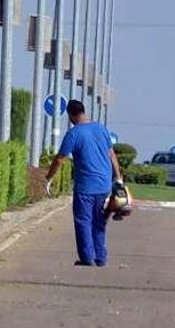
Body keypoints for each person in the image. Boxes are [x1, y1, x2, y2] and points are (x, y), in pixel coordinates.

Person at [44, 99, 123, 267]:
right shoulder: (101, 129)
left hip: (86, 186)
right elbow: (112, 155)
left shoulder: (74, 134)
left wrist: (49, 178)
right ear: (83, 111)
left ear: (71, 115)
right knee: (99, 220)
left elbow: (59, 159)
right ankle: (100, 257)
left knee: (83, 220)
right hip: (104, 186)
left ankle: (87, 257)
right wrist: (118, 177)